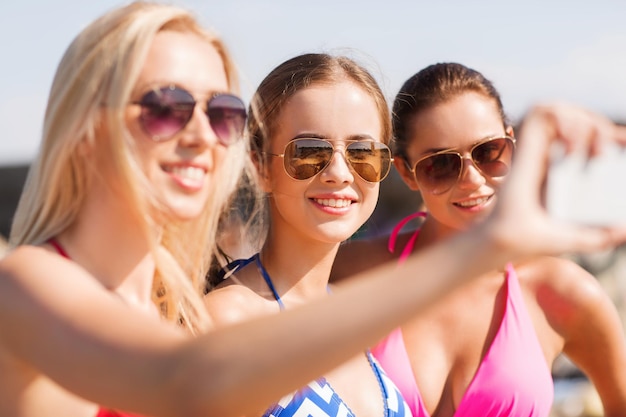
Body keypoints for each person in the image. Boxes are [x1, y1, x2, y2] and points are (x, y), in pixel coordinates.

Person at [0, 2, 625, 416]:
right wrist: (480, 248)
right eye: (163, 106)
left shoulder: (169, 302)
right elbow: (187, 381)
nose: (197, 134)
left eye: (218, 113)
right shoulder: (29, 283)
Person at [330, 62, 626, 417]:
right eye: (441, 164)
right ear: (407, 173)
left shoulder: (564, 292)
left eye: (489, 152)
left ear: (513, 146)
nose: (471, 178)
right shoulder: (350, 271)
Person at [205, 52, 411, 417]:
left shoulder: (351, 317)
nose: (339, 173)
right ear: (260, 166)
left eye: (362, 152)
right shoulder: (230, 323)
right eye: (309, 152)